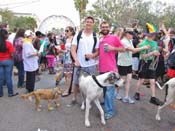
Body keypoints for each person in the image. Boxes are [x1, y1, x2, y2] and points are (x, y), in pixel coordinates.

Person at [68, 16, 99, 106]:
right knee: (76, 82)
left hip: (91, 64)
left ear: (93, 24)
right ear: (85, 23)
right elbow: (73, 49)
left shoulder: (95, 36)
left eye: (90, 22)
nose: (88, 23)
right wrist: (76, 60)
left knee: (91, 83)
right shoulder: (78, 35)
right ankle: (74, 98)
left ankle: (89, 100)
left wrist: (92, 55)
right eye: (87, 21)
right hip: (79, 64)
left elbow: (97, 51)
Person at [98, 21, 125, 120]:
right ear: (101, 28)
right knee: (104, 89)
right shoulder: (101, 39)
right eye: (103, 27)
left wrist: (112, 48)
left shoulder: (114, 37)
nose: (105, 28)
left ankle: (110, 111)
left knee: (110, 91)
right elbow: (99, 53)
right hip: (101, 68)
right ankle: (106, 103)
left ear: (109, 28)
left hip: (111, 69)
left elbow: (123, 49)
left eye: (106, 27)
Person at [134, 23, 163, 106]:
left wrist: (157, 53)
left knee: (152, 81)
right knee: (141, 80)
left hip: (151, 63)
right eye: (154, 34)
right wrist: (152, 53)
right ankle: (137, 93)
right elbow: (142, 56)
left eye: (154, 34)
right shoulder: (143, 43)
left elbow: (156, 52)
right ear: (150, 34)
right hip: (144, 63)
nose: (154, 35)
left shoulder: (154, 43)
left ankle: (153, 98)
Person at [116, 30, 150, 103]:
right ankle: (116, 92)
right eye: (131, 35)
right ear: (127, 34)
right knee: (122, 81)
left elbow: (133, 51)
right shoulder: (123, 41)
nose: (133, 36)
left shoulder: (130, 41)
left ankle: (126, 97)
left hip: (129, 63)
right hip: (122, 64)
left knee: (129, 80)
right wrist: (143, 47)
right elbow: (132, 49)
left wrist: (143, 48)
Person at [0, 28, 18, 97]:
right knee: (8, 77)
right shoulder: (8, 44)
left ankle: (0, 93)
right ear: (5, 35)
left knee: (0, 78)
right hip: (8, 61)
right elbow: (12, 54)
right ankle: (10, 93)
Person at [62, 26, 75, 97]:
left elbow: (74, 50)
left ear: (71, 31)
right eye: (65, 31)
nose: (66, 32)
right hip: (66, 59)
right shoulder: (67, 39)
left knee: (69, 75)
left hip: (71, 59)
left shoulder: (74, 39)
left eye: (67, 31)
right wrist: (62, 50)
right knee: (67, 75)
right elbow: (66, 50)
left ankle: (68, 90)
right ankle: (71, 88)